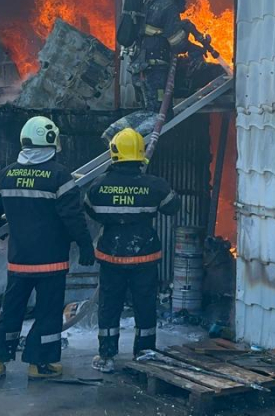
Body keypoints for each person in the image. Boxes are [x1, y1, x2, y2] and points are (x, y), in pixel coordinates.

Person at [0, 116, 94, 381]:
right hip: (51, 262)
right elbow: (73, 216)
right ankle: (39, 364)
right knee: (47, 313)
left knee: (11, 310)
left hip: (19, 261)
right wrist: (85, 245)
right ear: (51, 141)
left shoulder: (7, 174)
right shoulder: (58, 176)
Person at [84, 128, 179, 374]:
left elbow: (91, 211)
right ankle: (145, 351)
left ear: (113, 153)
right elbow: (171, 207)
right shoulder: (155, 185)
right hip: (145, 256)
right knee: (145, 304)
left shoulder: (99, 186)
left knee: (109, 305)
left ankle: (106, 355)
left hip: (111, 257)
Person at [137, 0, 207, 114]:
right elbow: (177, 43)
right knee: (159, 117)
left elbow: (161, 33)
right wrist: (194, 49)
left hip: (142, 67)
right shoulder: (169, 7)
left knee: (150, 112)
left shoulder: (149, 3)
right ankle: (124, 136)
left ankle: (125, 136)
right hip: (156, 71)